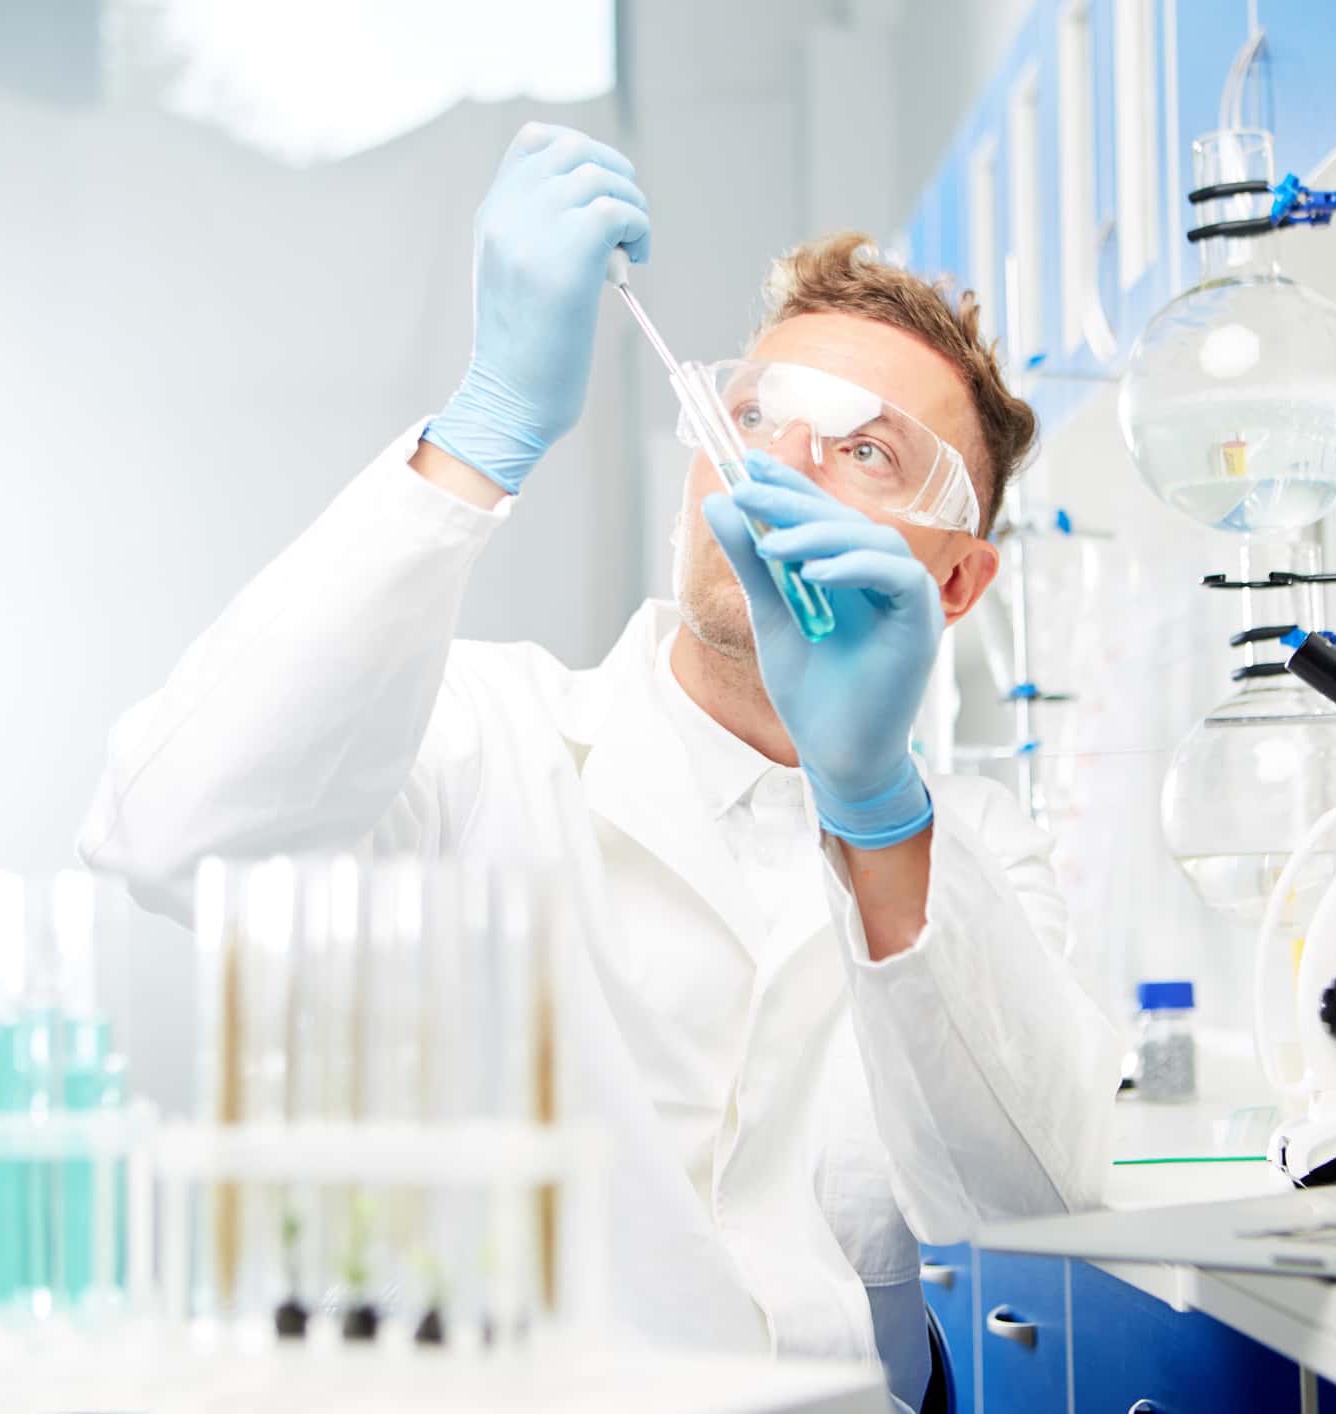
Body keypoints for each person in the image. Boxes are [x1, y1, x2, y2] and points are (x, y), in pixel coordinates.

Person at [79, 122, 1118, 1410]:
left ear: (955, 582)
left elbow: (1037, 1198)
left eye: (866, 450)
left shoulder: (968, 845)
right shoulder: (477, 737)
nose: (779, 464)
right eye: (755, 416)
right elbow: (170, 834)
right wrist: (488, 426)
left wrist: (874, 811)